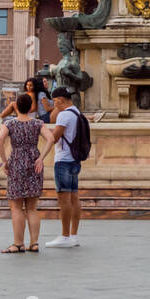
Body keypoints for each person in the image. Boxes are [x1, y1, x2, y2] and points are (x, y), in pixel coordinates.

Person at [0, 93, 54, 253]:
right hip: (34, 161)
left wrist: (4, 161)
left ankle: (18, 243)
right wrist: (41, 157)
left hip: (17, 162)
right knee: (32, 208)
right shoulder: (38, 123)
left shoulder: (10, 123)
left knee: (16, 206)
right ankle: (34, 243)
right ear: (30, 107)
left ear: (16, 107)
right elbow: (51, 138)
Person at [45, 86, 84, 248]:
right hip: (75, 160)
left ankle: (65, 236)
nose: (54, 104)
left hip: (63, 160)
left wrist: (41, 155)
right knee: (74, 197)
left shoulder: (65, 115)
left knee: (64, 199)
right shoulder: (77, 113)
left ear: (60, 99)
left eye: (55, 101)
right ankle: (73, 235)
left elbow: (53, 138)